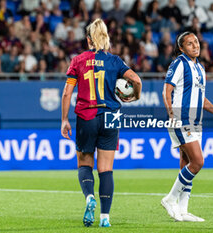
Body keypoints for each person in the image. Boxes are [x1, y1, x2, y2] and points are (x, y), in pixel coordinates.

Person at [61, 18, 142, 228]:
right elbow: (137, 80)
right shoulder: (115, 61)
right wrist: (135, 96)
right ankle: (105, 218)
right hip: (111, 116)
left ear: (88, 39)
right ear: (106, 39)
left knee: (84, 163)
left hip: (86, 115)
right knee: (106, 169)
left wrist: (64, 120)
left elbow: (67, 92)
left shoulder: (77, 60)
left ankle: (89, 197)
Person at [161, 31, 213, 222]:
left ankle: (183, 211)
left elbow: (200, 98)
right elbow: (166, 90)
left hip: (196, 122)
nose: (195, 45)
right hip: (181, 119)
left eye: (196, 42)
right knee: (198, 162)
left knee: (186, 163)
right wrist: (171, 113)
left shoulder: (200, 68)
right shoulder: (179, 63)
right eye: (189, 43)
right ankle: (170, 199)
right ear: (181, 48)